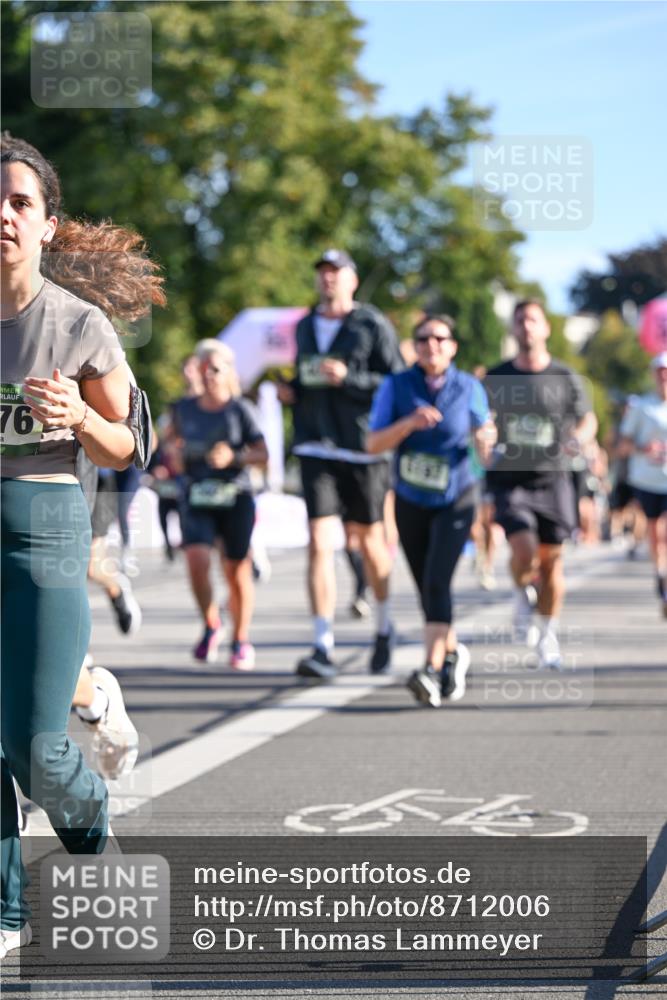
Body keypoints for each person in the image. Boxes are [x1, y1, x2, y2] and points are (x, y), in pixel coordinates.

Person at [0, 134, 164, 959]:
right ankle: (3, 910)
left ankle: (93, 822)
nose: (2, 214)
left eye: (19, 202)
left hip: (45, 527)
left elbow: (127, 447)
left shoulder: (77, 323)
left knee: (35, 749)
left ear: (48, 226)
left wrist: (79, 418)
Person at [277, 249, 404, 680]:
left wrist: (347, 377)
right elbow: (305, 374)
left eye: (336, 272)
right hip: (315, 444)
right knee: (319, 541)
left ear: (352, 278)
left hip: (362, 447)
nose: (328, 279)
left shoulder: (372, 324)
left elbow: (395, 380)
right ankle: (322, 645)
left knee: (369, 543)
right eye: (323, 273)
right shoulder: (305, 325)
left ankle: (385, 628)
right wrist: (292, 389)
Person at [367, 314, 496, 707]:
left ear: (452, 347)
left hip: (456, 498)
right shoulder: (397, 385)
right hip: (410, 498)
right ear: (415, 346)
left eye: (440, 338)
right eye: (424, 339)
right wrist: (408, 423)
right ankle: (453, 652)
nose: (432, 345)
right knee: (426, 584)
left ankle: (430, 668)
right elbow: (373, 443)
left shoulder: (469, 387)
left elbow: (484, 448)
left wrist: (486, 439)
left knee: (438, 581)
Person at [484, 299, 598, 670]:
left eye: (532, 320)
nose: (526, 327)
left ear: (546, 328)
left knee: (551, 565)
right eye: (520, 321)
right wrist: (484, 437)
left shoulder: (565, 377)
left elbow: (587, 420)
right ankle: (520, 590)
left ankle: (547, 636)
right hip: (511, 480)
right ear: (513, 330)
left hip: (554, 479)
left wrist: (579, 439)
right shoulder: (497, 377)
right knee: (524, 550)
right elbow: (484, 420)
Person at [165, 340, 268, 667]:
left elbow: (263, 455)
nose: (208, 375)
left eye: (216, 369)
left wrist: (235, 456)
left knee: (236, 570)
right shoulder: (184, 408)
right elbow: (169, 442)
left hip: (235, 495)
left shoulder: (240, 410)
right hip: (196, 494)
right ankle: (212, 623)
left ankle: (241, 638)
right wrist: (175, 455)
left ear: (228, 373)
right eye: (203, 368)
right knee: (196, 559)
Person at [617, 352, 667, 617]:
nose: (664, 376)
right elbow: (622, 446)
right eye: (660, 371)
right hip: (647, 479)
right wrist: (643, 448)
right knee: (655, 533)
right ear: (653, 375)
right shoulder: (642, 407)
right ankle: (660, 575)